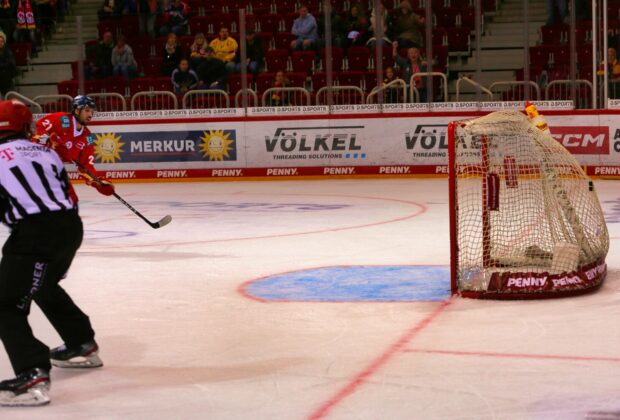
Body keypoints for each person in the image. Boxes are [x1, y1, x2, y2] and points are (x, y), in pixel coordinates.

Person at [0, 99, 102, 407]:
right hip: (70, 227)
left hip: (34, 234)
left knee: (4, 304)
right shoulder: (48, 153)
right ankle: (80, 343)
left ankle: (32, 372)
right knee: (43, 284)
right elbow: (63, 191)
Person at [34, 96, 115, 197]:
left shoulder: (87, 137)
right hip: (33, 164)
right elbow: (38, 130)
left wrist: (98, 181)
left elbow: (86, 165)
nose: (90, 115)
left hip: (51, 172)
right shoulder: (61, 119)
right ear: (76, 111)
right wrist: (46, 142)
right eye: (87, 110)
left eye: (92, 111)